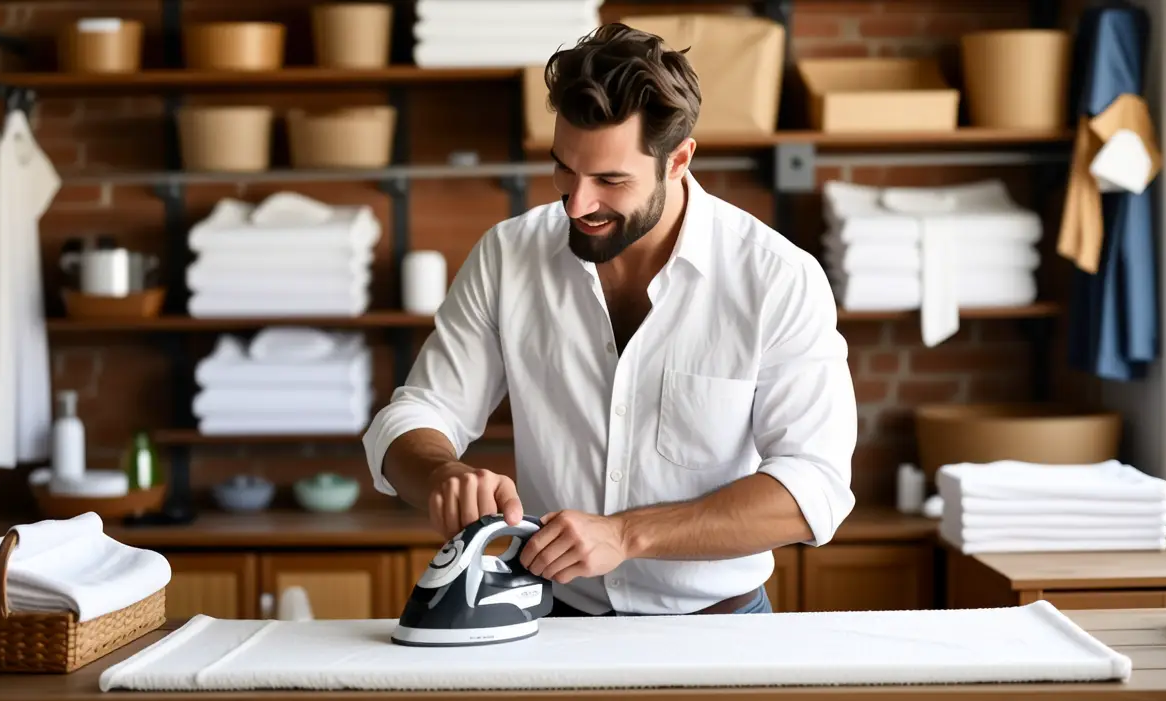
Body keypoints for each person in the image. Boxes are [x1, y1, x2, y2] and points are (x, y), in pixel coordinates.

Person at [362, 22, 857, 617]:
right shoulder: (508, 256)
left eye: (610, 180)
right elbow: (415, 415)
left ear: (678, 160)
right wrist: (442, 472)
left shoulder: (777, 277)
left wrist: (627, 534)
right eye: (564, 170)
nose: (577, 204)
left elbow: (814, 486)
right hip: (551, 619)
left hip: (720, 628)